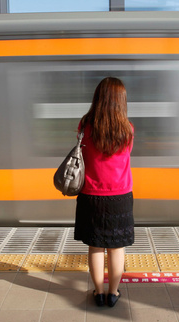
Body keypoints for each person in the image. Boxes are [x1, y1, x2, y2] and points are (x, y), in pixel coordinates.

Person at [74, 77, 134, 308]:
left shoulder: (84, 125)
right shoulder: (127, 129)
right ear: (121, 101)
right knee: (117, 247)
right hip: (120, 196)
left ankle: (98, 293)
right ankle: (113, 293)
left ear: (98, 98)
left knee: (96, 245)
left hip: (91, 195)